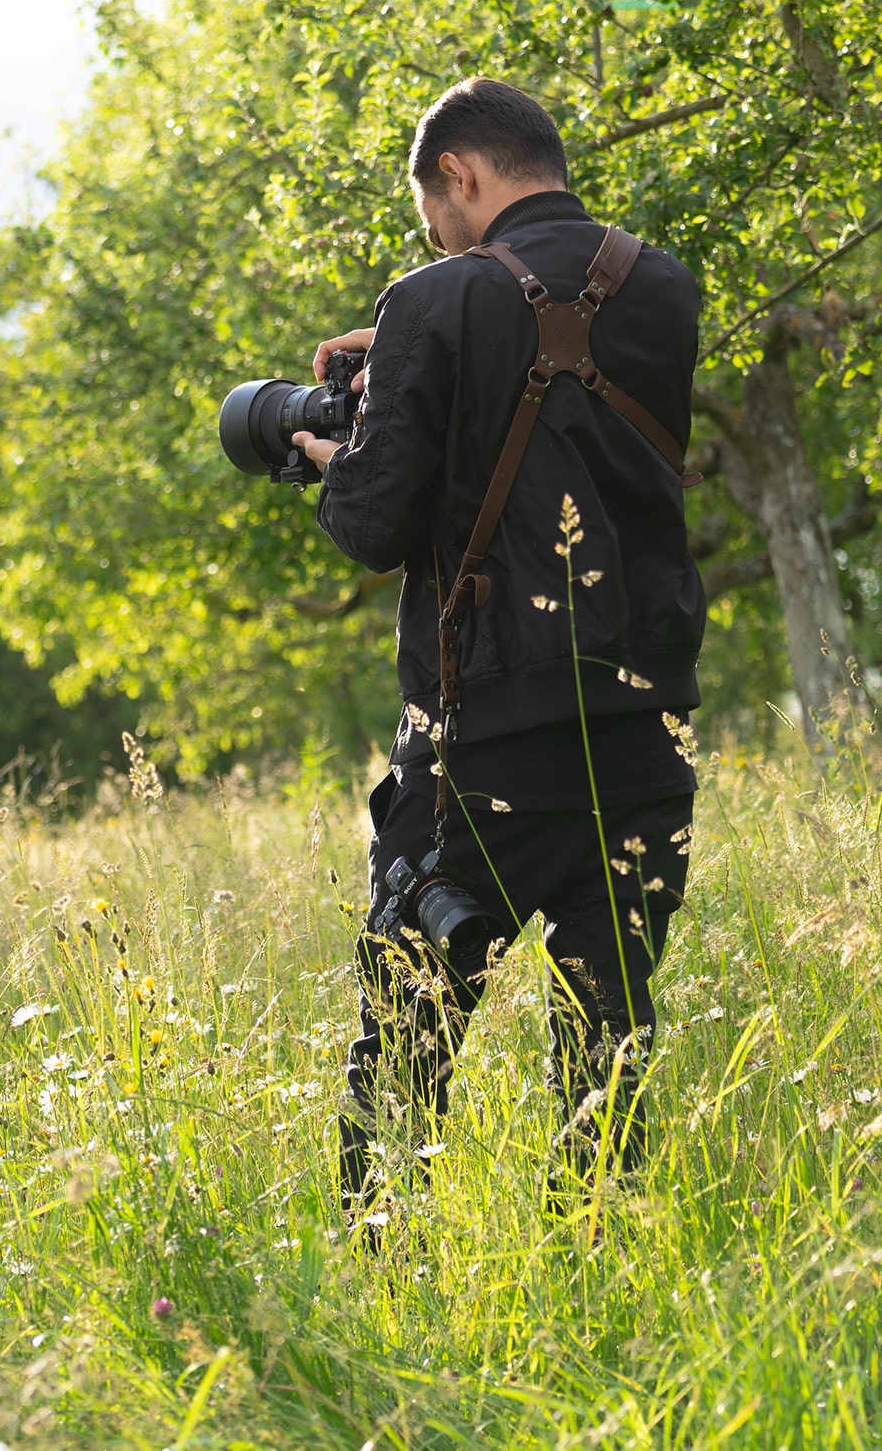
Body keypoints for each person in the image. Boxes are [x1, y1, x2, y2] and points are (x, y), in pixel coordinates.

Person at [292, 77, 706, 1224]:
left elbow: (375, 525)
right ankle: (602, 1271)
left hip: (484, 743)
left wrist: (330, 447)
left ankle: (380, 1290)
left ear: (460, 177)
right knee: (611, 1044)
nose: (437, 238)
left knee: (408, 1052)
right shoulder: (664, 288)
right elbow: (566, 377)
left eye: (436, 214)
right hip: (642, 733)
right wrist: (418, 341)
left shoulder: (434, 300)